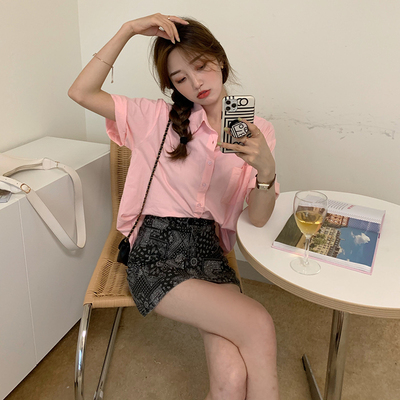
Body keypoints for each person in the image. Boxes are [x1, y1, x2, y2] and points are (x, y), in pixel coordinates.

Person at [69, 13, 280, 400]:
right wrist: (129, 30)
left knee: (232, 376)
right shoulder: (156, 119)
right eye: (180, 78)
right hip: (155, 251)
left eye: (200, 66)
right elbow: (81, 92)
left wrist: (266, 170)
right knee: (259, 323)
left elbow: (259, 217)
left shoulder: (257, 131)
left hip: (210, 251)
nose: (196, 83)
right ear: (173, 87)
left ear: (219, 59)